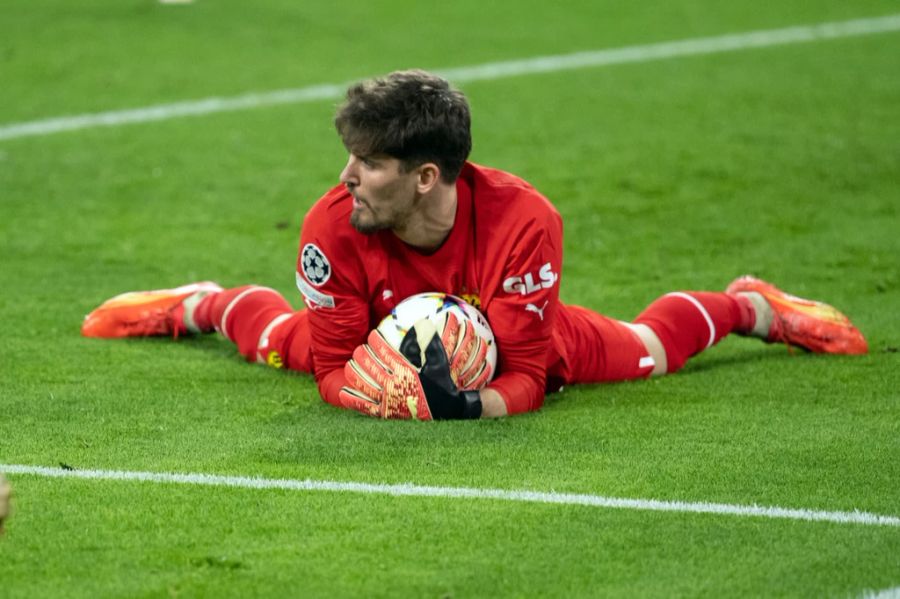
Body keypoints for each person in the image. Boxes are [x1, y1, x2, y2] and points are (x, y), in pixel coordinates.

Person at [81, 70, 868, 420]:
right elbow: (330, 369)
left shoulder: (525, 223)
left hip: (502, 342)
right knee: (282, 343)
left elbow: (526, 371)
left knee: (644, 352)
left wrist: (470, 408)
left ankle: (748, 307)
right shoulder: (332, 226)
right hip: (377, 333)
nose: (347, 177)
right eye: (349, 156)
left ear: (427, 176)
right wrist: (380, 391)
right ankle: (203, 303)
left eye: (371, 163)